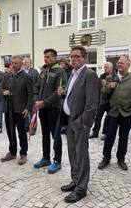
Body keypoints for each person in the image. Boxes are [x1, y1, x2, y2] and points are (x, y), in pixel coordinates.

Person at [58, 46, 99, 203]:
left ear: (84, 58)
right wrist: (63, 94)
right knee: (73, 154)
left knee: (81, 155)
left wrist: (83, 122)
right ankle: (75, 181)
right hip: (70, 120)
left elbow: (92, 103)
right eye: (71, 56)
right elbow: (72, 95)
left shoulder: (89, 74)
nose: (73, 59)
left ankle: (81, 188)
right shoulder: (72, 74)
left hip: (80, 122)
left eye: (76, 56)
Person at [98, 56, 131, 171]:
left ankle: (121, 159)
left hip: (127, 114)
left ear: (128, 65)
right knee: (109, 137)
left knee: (123, 137)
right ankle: (106, 158)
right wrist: (109, 86)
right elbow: (103, 92)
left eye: (122, 63)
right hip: (113, 113)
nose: (119, 64)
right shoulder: (110, 77)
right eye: (118, 63)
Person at [33, 49, 66, 174]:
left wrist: (44, 102)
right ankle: (46, 158)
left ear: (54, 58)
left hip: (54, 109)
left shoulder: (60, 72)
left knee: (56, 135)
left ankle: (57, 161)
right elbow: (36, 87)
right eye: (44, 57)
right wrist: (36, 100)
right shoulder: (43, 71)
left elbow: (60, 91)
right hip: (42, 109)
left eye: (47, 57)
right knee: (45, 134)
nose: (45, 59)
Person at [0, 56, 33, 165]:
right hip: (8, 108)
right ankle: (12, 152)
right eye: (12, 63)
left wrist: (28, 108)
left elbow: (30, 94)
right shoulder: (7, 76)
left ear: (21, 64)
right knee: (10, 131)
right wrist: (4, 92)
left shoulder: (26, 77)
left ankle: (23, 153)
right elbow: (2, 88)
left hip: (20, 109)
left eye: (16, 63)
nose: (13, 65)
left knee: (22, 132)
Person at [89, 62, 113, 139]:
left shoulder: (114, 77)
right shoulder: (101, 77)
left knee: (108, 118)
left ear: (111, 68)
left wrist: (106, 85)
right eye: (104, 67)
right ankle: (95, 132)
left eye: (106, 67)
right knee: (98, 117)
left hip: (110, 101)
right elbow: (97, 88)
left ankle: (105, 133)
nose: (105, 69)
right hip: (102, 101)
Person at [23, 57, 39, 133]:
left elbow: (38, 84)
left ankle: (33, 128)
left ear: (31, 63)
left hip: (33, 96)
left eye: (27, 62)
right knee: (25, 111)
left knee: (33, 112)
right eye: (24, 62)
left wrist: (36, 95)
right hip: (24, 96)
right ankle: (26, 126)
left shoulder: (35, 72)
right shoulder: (21, 72)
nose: (25, 63)